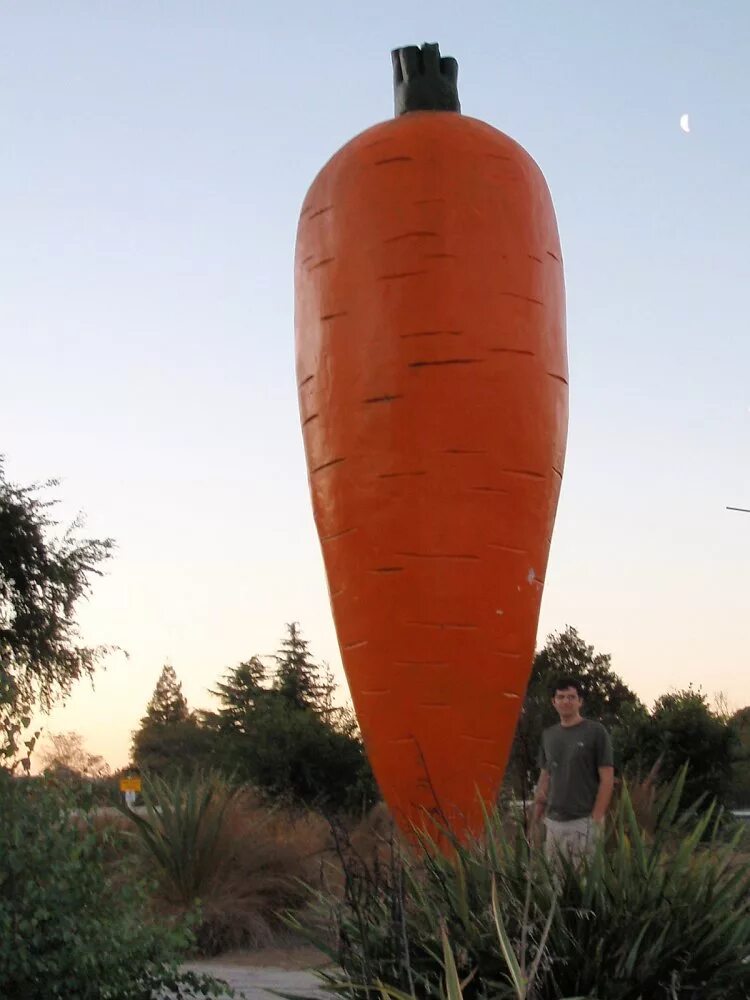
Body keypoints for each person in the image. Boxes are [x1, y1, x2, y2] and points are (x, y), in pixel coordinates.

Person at [532, 676, 614, 865]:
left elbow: (607, 779)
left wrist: (595, 820)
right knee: (555, 886)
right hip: (553, 823)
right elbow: (545, 776)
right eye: (561, 697)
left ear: (580, 701)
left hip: (584, 821)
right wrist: (535, 818)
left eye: (571, 697)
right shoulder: (548, 735)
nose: (566, 701)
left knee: (583, 886)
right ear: (554, 702)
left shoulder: (596, 732)